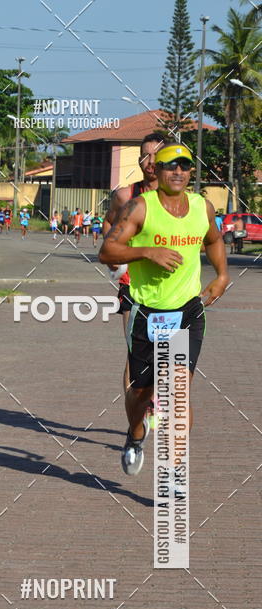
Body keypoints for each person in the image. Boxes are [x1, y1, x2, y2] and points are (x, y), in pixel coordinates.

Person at [99, 143, 229, 475]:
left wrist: (222, 275)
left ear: (191, 172)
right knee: (141, 394)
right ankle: (135, 433)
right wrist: (146, 252)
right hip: (146, 311)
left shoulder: (203, 207)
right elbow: (108, 251)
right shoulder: (140, 207)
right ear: (157, 170)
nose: (178, 172)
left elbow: (213, 240)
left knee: (178, 389)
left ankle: (173, 472)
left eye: (185, 166)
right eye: (171, 166)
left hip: (187, 311)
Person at [103, 131, 172, 428]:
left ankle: (154, 397)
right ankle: (135, 422)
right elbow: (109, 222)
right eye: (145, 155)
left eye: (156, 155)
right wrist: (115, 256)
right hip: (132, 283)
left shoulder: (178, 199)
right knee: (135, 353)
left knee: (166, 354)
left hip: (168, 287)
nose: (150, 161)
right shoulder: (125, 195)